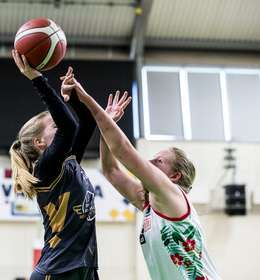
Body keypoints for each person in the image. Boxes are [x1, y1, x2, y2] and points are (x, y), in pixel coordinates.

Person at [70, 80, 222, 280]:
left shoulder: (172, 195)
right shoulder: (152, 205)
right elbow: (111, 170)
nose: (150, 161)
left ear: (174, 176)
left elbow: (123, 150)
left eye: (159, 161)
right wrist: (108, 122)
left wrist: (89, 102)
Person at [9, 50, 99, 280]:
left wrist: (73, 97)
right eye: (54, 125)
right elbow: (69, 126)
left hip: (83, 268)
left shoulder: (68, 162)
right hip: (57, 272)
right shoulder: (45, 169)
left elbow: (87, 122)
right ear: (39, 142)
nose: (60, 126)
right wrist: (38, 79)